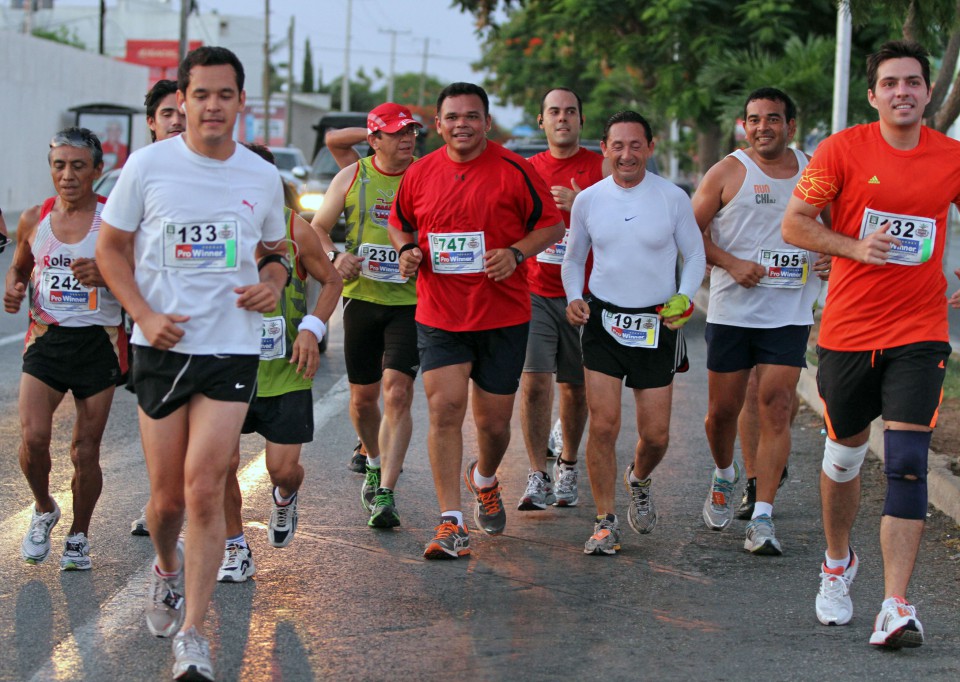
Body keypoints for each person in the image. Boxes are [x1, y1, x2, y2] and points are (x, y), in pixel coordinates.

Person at [96, 46, 290, 680]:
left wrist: (274, 278)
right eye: (200, 95)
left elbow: (273, 249)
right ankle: (166, 567)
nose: (212, 106)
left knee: (206, 485)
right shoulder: (149, 166)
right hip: (162, 347)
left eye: (224, 95)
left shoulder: (261, 176)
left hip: (231, 345)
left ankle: (195, 634)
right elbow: (112, 250)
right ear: (182, 100)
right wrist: (144, 316)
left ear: (241, 102)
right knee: (167, 502)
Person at [782, 40, 960, 648]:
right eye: (891, 83)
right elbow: (796, 222)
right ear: (873, 94)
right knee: (844, 456)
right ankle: (837, 563)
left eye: (913, 82)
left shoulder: (950, 156)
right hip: (850, 332)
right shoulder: (842, 150)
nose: (903, 91)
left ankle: (896, 605)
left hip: (920, 331)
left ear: (928, 92)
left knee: (908, 465)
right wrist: (854, 247)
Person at [388, 82, 564, 559]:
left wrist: (515, 253)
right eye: (452, 117)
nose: (461, 124)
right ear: (439, 125)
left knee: (493, 426)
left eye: (471, 116)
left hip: (502, 315)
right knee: (444, 410)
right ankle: (451, 522)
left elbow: (552, 225)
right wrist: (407, 249)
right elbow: (399, 220)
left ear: (487, 122)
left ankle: (484, 478)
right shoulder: (420, 172)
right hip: (440, 312)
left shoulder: (514, 169)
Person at [562, 110, 706, 556]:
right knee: (603, 425)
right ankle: (604, 521)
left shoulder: (671, 197)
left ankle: (638, 479)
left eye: (635, 145)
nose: (626, 154)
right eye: (617, 145)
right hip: (603, 321)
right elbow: (572, 259)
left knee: (657, 436)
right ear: (604, 148)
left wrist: (684, 298)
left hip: (657, 323)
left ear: (650, 147)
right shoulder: (588, 200)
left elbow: (695, 255)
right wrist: (573, 296)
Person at [692, 87, 827, 555]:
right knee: (721, 414)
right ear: (743, 125)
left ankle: (763, 517)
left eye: (773, 118)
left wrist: (830, 255)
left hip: (789, 310)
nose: (762, 127)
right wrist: (729, 262)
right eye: (753, 119)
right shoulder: (729, 170)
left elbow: (833, 227)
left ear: (790, 124)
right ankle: (725, 473)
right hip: (733, 311)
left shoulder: (815, 170)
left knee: (776, 406)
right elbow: (688, 230)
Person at [218, 143, 342, 582]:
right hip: (227, 368)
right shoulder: (215, 228)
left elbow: (332, 280)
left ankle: (285, 497)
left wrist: (311, 327)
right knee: (221, 467)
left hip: (285, 369)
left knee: (282, 470)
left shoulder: (295, 230)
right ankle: (235, 547)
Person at [4, 127, 125, 572]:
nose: (68, 175)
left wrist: (108, 275)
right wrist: (14, 289)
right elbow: (19, 268)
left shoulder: (114, 221)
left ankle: (79, 535)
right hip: (46, 340)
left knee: (84, 451)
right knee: (34, 439)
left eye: (78, 166)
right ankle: (43, 508)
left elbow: (143, 278)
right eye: (59, 165)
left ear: (97, 170)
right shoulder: (35, 218)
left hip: (99, 343)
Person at [310, 103, 423, 528]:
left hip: (411, 302)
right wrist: (335, 255)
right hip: (362, 298)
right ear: (374, 140)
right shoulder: (353, 175)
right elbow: (317, 228)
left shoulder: (426, 175)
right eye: (395, 133)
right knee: (363, 399)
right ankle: (373, 460)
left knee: (397, 392)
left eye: (410, 131)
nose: (406, 139)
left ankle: (387, 492)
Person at [517, 87, 605, 511]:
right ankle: (537, 473)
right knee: (534, 383)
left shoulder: (601, 169)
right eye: (554, 111)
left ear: (581, 121)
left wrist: (581, 205)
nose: (563, 118)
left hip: (585, 294)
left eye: (571, 111)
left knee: (575, 387)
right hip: (534, 290)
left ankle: (567, 464)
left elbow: (624, 225)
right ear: (541, 121)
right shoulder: (527, 169)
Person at [130, 78, 186, 537]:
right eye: (166, 113)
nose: (176, 119)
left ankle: (217, 531)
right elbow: (111, 248)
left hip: (217, 334)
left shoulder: (223, 168)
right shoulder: (136, 172)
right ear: (152, 122)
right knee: (160, 436)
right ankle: (162, 505)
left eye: (181, 111)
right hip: (152, 332)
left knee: (213, 455)